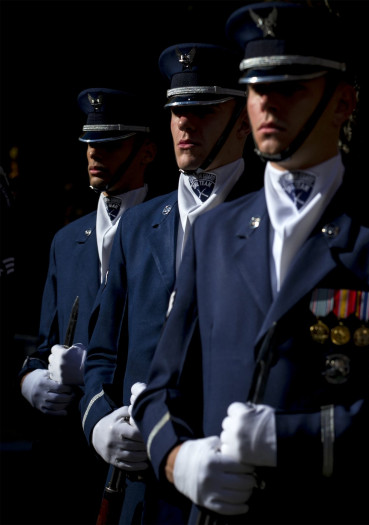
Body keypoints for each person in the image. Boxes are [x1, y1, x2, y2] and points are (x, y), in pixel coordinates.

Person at [132, 3, 369, 523]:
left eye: (290, 87)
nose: (267, 103)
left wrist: (288, 439)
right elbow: (162, 386)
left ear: (343, 101)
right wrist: (177, 459)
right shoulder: (214, 232)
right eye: (256, 87)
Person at [81, 43, 255, 524]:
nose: (185, 122)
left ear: (244, 121)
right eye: (178, 109)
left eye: (202, 108)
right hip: (141, 490)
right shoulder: (137, 227)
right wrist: (98, 423)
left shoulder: (273, 223)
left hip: (230, 488)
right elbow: (102, 355)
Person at [18, 88, 157, 524]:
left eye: (111, 143)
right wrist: (32, 381)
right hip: (65, 456)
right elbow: (41, 345)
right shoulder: (67, 240)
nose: (95, 153)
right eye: (90, 144)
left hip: (132, 451)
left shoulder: (166, 228)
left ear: (147, 151)